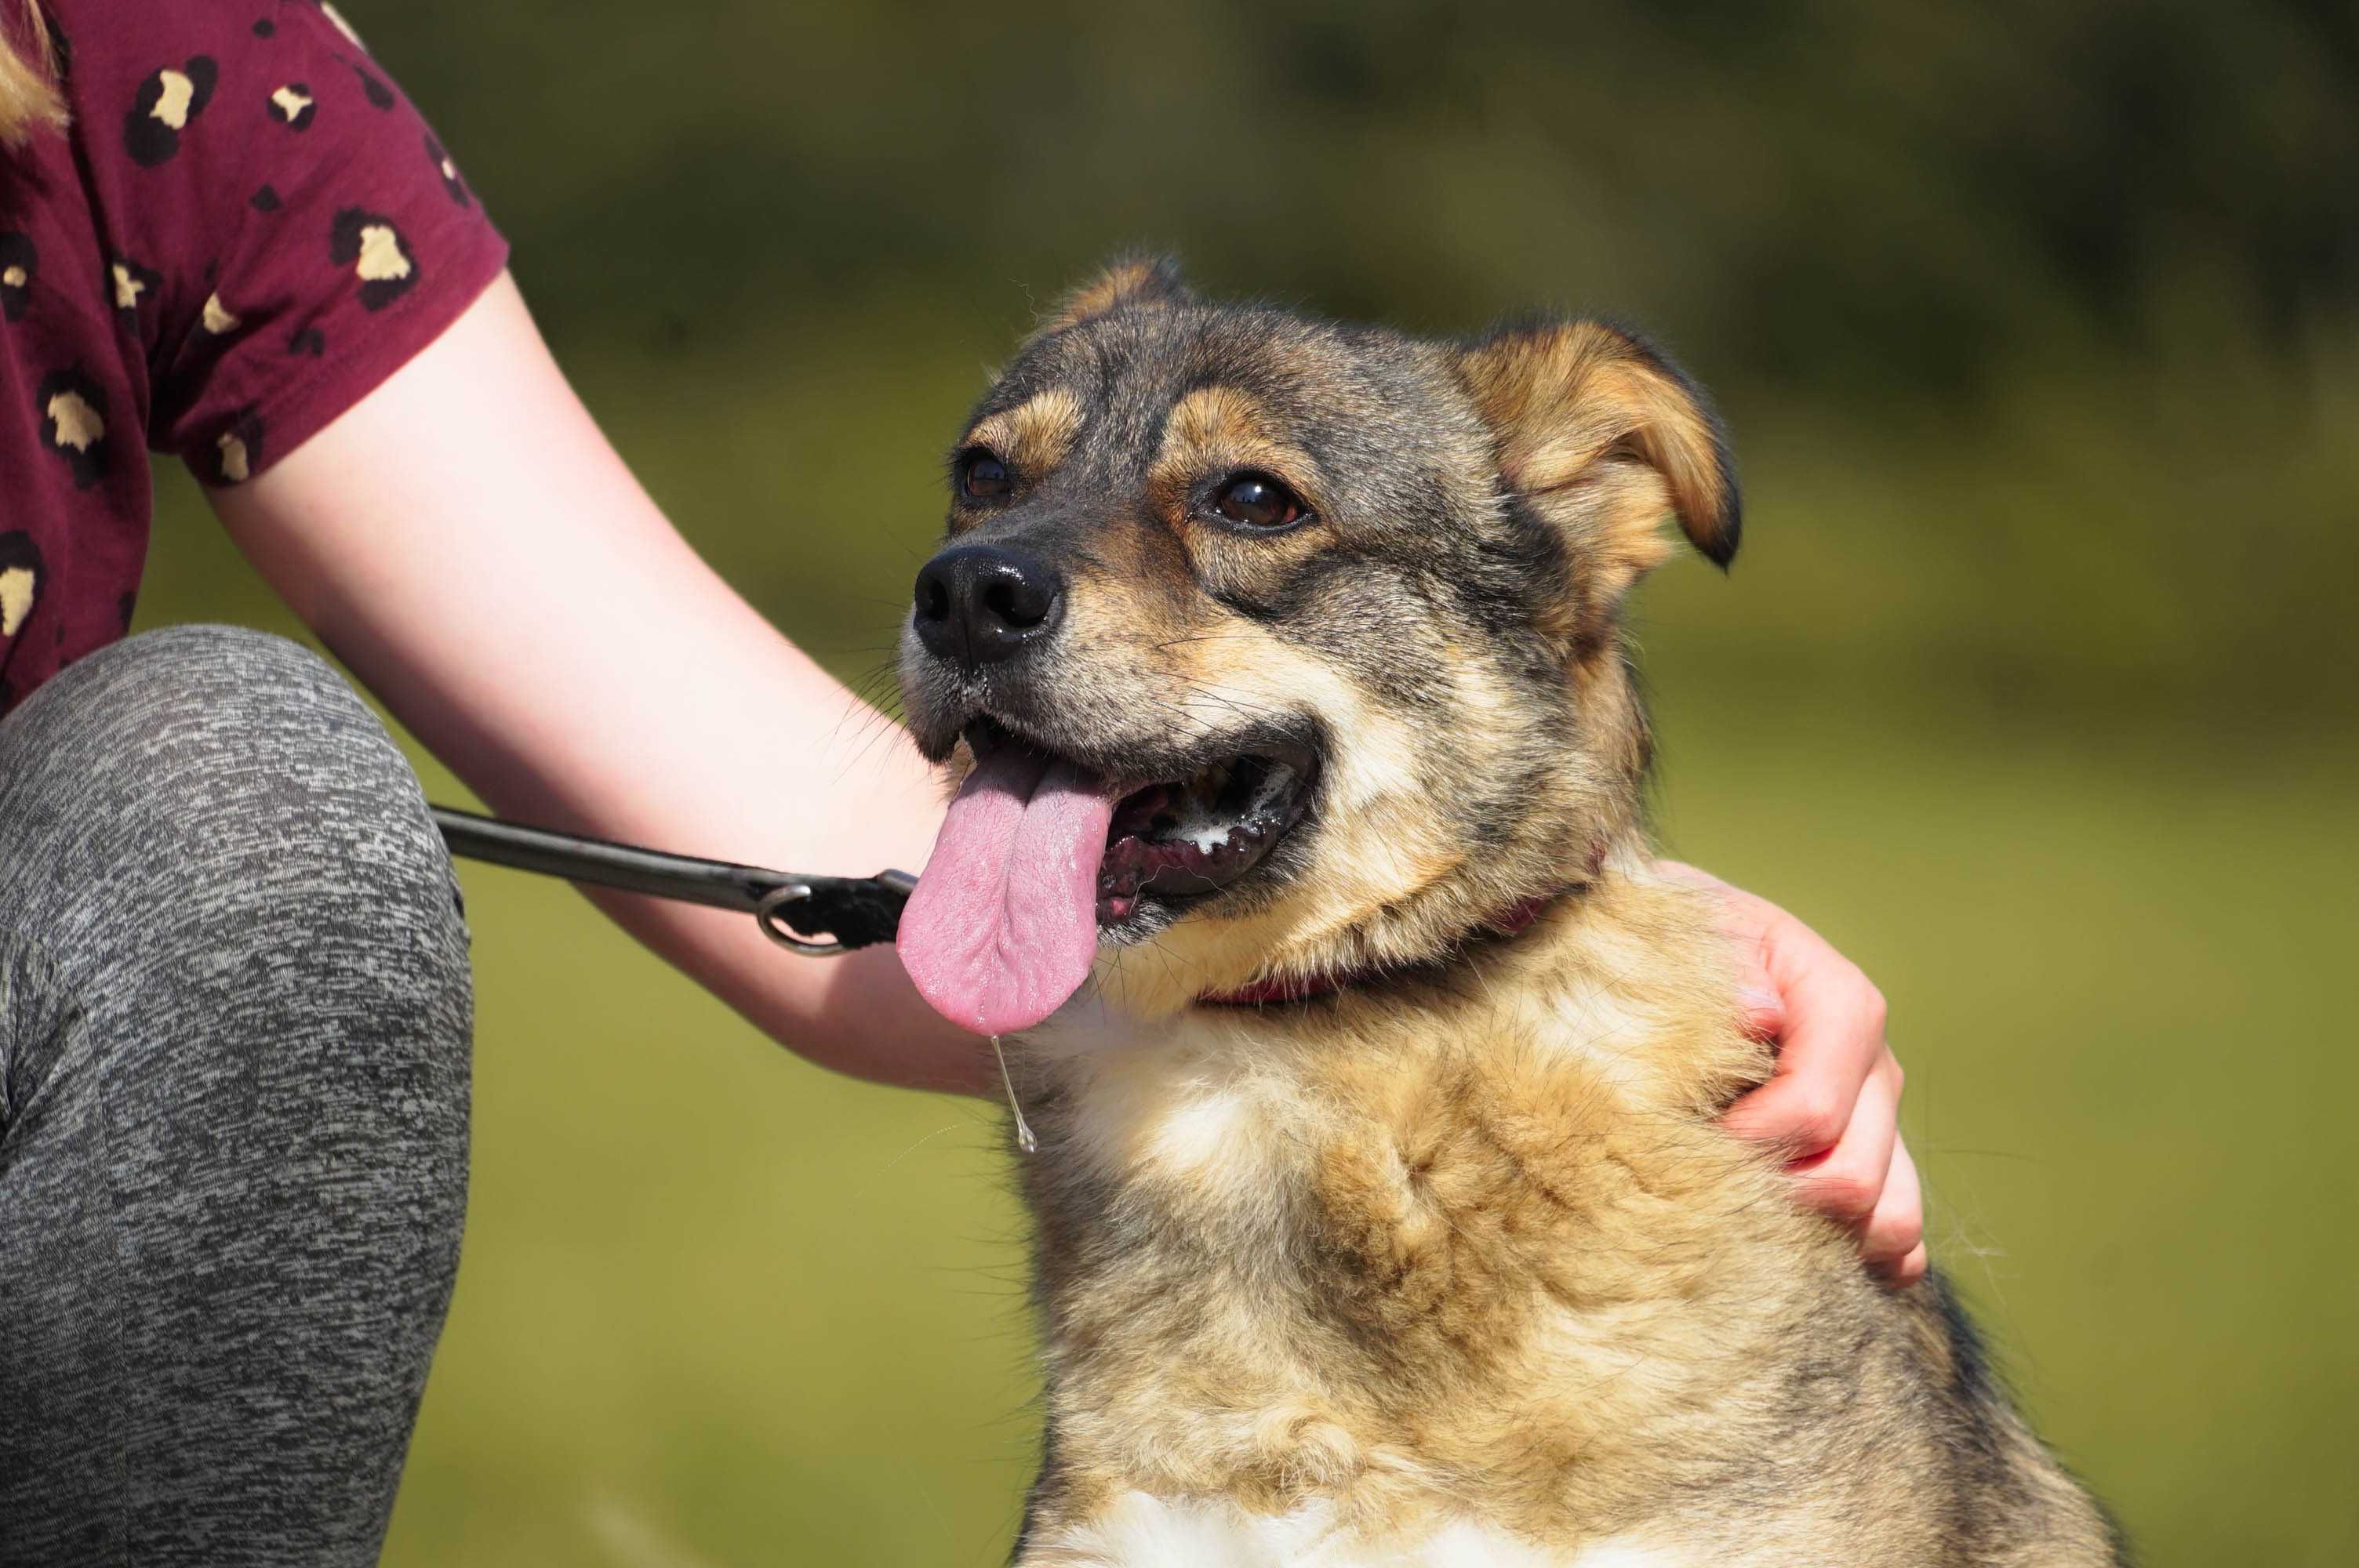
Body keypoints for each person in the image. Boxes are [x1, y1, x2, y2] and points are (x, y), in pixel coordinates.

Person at [0, 2, 1922, 1562]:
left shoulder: (146, 58)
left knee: (240, 778)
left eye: (1249, 506)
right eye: (997, 487)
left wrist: (1628, 945)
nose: (1000, 568)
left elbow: (797, 813)